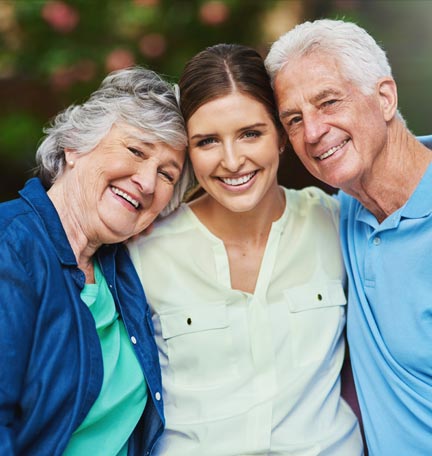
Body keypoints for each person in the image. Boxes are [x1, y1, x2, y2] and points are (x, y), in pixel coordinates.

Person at [128, 44, 363, 455]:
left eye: (250, 133)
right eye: (207, 142)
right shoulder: (143, 251)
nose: (233, 161)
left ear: (283, 137)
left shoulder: (336, 223)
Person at [0, 66, 193, 455]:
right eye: (136, 151)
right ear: (74, 146)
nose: (148, 182)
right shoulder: (12, 246)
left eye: (167, 174)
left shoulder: (122, 268)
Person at [265, 19, 432, 455]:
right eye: (294, 119)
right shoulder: (338, 210)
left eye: (329, 102)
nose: (313, 132)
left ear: (384, 98)